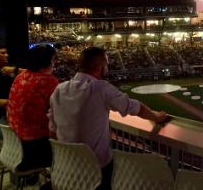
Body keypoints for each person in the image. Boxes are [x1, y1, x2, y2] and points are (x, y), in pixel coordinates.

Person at [49, 47, 168, 190]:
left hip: (64, 169)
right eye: (106, 63)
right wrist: (156, 117)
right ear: (100, 67)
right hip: (95, 171)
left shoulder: (59, 89)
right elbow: (134, 107)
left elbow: (52, 130)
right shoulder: (100, 88)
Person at [7, 44, 59, 170]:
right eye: (53, 60)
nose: (54, 64)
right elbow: (61, 110)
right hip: (33, 150)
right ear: (46, 62)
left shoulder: (21, 76)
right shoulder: (48, 81)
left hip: (14, 145)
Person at [0, 43, 22, 130]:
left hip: (13, 113)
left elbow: (33, 75)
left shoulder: (7, 70)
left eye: (7, 53)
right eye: (3, 53)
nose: (7, 55)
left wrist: (15, 70)